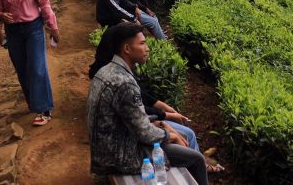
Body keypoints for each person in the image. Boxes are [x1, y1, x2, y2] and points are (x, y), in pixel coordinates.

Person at [87, 23, 208, 185]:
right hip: (119, 156)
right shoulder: (125, 83)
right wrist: (169, 135)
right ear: (127, 49)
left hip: (108, 148)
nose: (148, 48)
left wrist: (160, 123)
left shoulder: (106, 71)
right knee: (197, 159)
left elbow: (132, 117)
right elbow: (145, 133)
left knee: (184, 137)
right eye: (142, 43)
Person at [0, 0, 59, 126]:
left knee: (37, 67)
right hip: (13, 32)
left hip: (33, 28)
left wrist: (53, 27)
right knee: (22, 69)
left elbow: (44, 4)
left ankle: (44, 108)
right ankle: (33, 102)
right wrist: (0, 17)